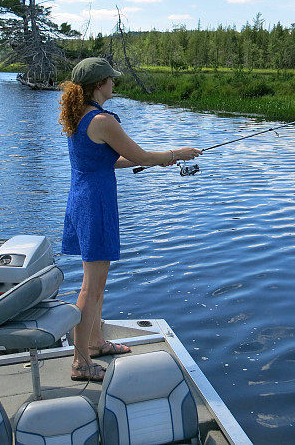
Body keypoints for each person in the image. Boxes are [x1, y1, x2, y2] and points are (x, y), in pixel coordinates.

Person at [58, 57, 202, 381]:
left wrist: (156, 161)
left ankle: (95, 343)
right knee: (90, 286)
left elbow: (110, 160)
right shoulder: (102, 120)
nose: (114, 83)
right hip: (96, 204)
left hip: (84, 199)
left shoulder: (79, 115)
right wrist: (176, 154)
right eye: (111, 79)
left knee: (98, 281)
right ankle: (80, 363)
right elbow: (140, 156)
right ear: (99, 84)